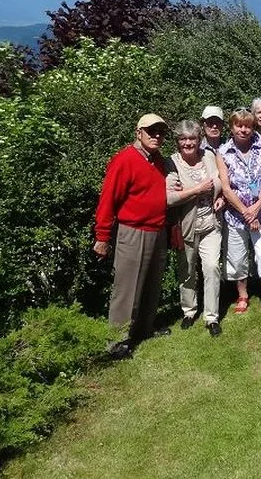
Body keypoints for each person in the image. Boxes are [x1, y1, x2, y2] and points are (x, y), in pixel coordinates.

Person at [93, 114, 171, 359]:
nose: (157, 136)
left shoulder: (158, 161)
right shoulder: (124, 160)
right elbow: (108, 199)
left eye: (160, 131)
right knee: (127, 288)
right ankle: (117, 341)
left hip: (157, 230)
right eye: (151, 131)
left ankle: (144, 330)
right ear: (138, 133)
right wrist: (102, 236)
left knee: (151, 284)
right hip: (133, 232)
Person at [216, 109, 261, 319]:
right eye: (239, 125)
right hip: (236, 216)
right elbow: (226, 188)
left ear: (253, 127)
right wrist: (246, 212)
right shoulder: (223, 151)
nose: (243, 129)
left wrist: (257, 207)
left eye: (248, 125)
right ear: (232, 127)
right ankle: (242, 295)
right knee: (237, 259)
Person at [165, 120, 224, 338]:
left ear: (199, 139)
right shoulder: (171, 163)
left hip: (211, 223)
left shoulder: (209, 156)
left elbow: (220, 182)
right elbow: (170, 198)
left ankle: (212, 317)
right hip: (187, 227)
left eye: (192, 138)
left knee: (211, 267)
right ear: (177, 141)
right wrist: (199, 189)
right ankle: (189, 311)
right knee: (187, 270)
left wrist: (221, 198)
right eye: (183, 139)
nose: (188, 143)